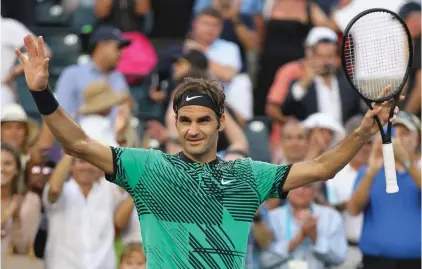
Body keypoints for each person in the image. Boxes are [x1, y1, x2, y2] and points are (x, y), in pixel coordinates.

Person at [16, 35, 398, 269]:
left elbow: (320, 168)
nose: (193, 129)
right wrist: (40, 92)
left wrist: (364, 130)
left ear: (219, 122)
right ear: (176, 123)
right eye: (185, 121)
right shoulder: (147, 168)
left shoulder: (249, 175)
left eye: (202, 120)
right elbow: (76, 143)